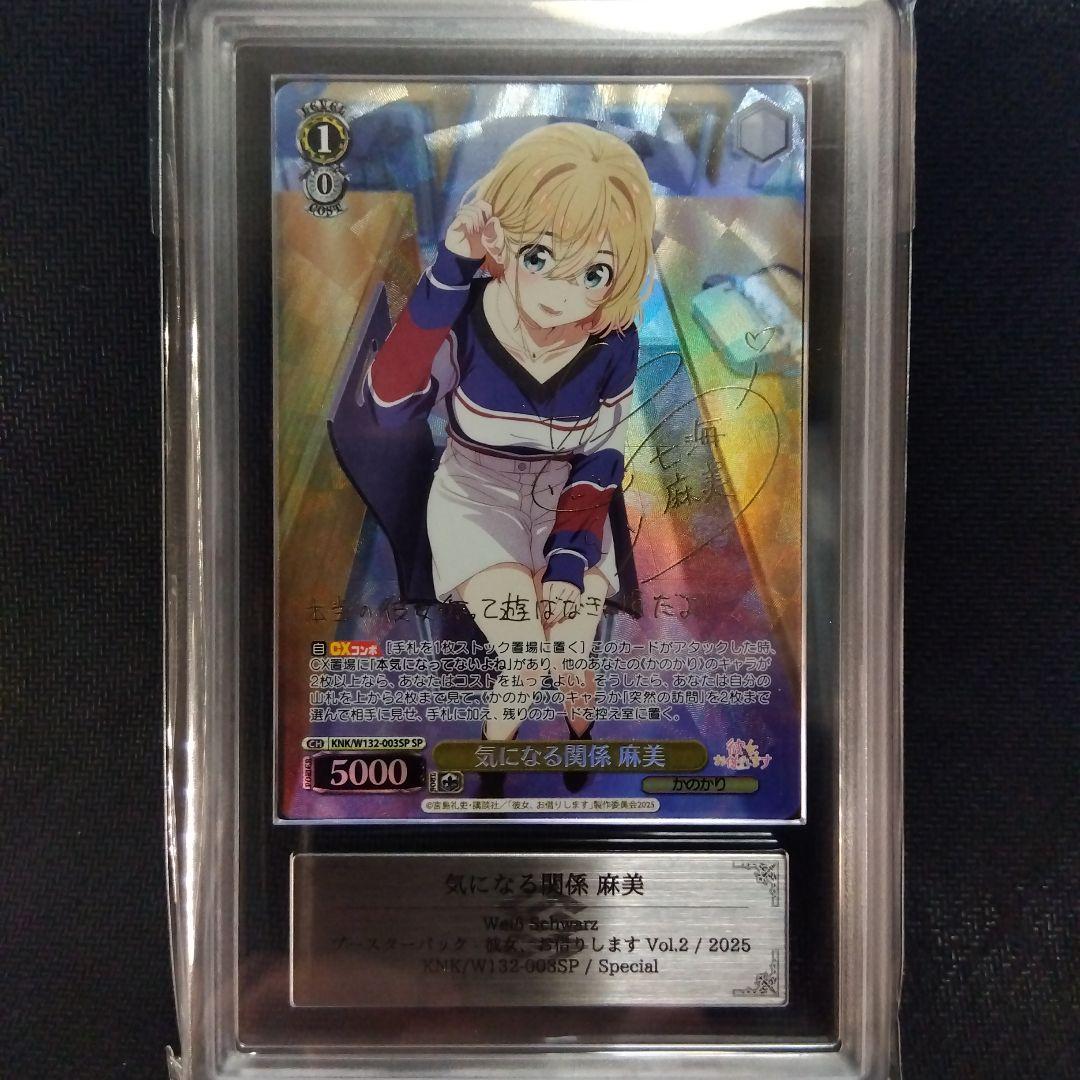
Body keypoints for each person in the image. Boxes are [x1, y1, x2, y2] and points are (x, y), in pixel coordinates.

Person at [365, 121, 655, 761]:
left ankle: (581, 742)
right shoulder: (465, 311)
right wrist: (452, 268)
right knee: (525, 659)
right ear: (506, 238)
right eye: (539, 257)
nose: (559, 294)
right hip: (474, 494)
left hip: (569, 498)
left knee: (573, 655)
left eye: (594, 271)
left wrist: (569, 560)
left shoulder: (615, 343)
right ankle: (491, 772)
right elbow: (389, 401)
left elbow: (602, 454)